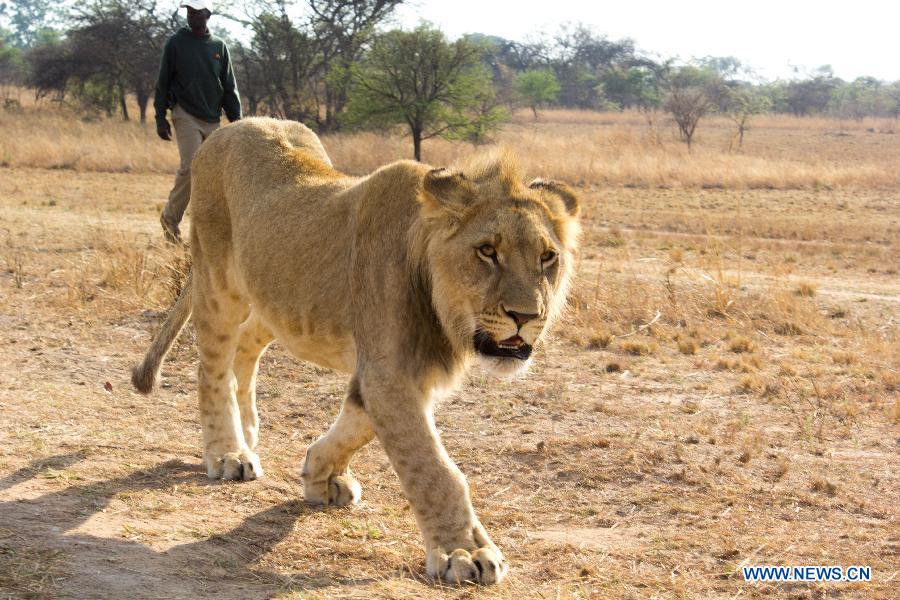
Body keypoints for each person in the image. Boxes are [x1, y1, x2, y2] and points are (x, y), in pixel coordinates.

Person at [154, 0, 241, 243]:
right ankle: (170, 220)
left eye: (196, 13)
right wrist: (160, 117)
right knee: (191, 167)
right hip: (185, 113)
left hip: (212, 118)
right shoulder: (176, 44)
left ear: (207, 15)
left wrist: (237, 122)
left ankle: (208, 232)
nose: (191, 17)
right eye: (189, 12)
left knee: (212, 173)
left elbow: (229, 88)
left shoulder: (218, 47)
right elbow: (162, 83)